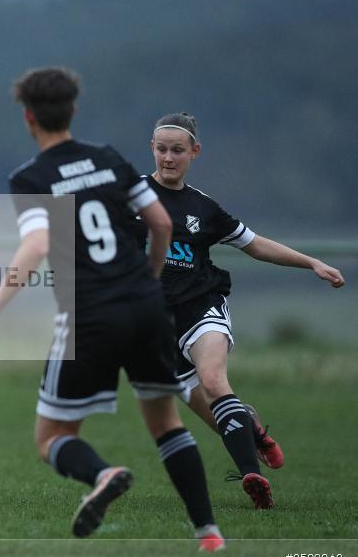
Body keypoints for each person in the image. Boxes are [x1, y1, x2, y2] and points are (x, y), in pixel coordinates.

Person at [0, 68, 224, 551]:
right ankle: (209, 534)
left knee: (51, 437)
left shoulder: (31, 177)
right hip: (147, 307)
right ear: (73, 112)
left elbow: (38, 242)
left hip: (89, 314)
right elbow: (162, 224)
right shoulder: (108, 158)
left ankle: (103, 474)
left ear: (28, 118)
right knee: (166, 422)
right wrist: (147, 278)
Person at [138, 112, 346, 509]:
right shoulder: (130, 198)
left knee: (215, 382)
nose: (168, 158)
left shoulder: (203, 208)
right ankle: (251, 430)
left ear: (194, 152)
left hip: (201, 308)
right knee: (220, 419)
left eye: (177, 151)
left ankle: (254, 480)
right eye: (161, 149)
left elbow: (255, 244)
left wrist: (312, 263)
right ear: (152, 149)